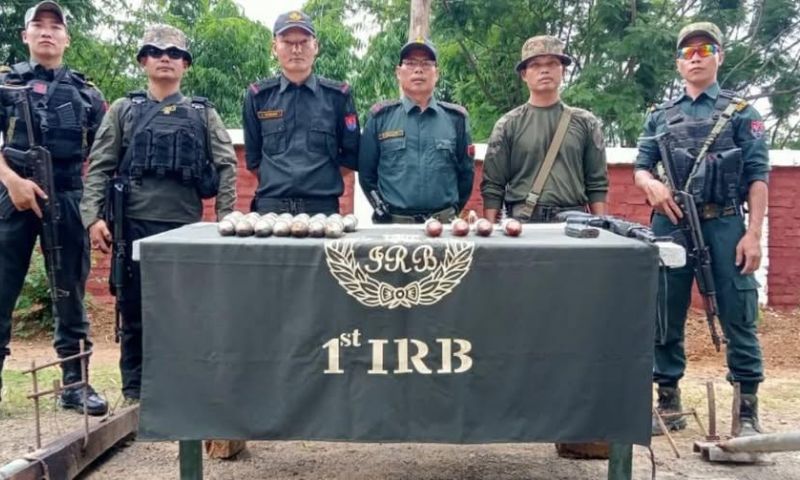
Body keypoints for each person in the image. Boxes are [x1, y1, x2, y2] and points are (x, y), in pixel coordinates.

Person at [80, 24, 237, 402]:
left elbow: (227, 165)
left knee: (186, 312)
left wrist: (227, 219)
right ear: (143, 61)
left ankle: (183, 390)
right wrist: (93, 218)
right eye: (155, 51)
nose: (165, 58)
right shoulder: (124, 110)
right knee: (133, 310)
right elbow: (100, 166)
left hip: (184, 229)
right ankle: (135, 392)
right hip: (133, 225)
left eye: (174, 53)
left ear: (185, 64)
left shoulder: (202, 113)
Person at [635, 22, 768, 437]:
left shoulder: (742, 112)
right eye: (688, 52)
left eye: (705, 50)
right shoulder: (659, 115)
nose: (696, 57)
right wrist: (650, 184)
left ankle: (746, 412)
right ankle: (667, 401)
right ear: (679, 63)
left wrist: (753, 234)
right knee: (663, 310)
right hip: (671, 222)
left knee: (738, 312)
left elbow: (758, 177)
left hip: (726, 222)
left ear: (719, 57)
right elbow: (641, 166)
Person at [0, 1, 108, 414]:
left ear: (67, 38)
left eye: (56, 26)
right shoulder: (6, 84)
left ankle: (75, 384)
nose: (47, 32)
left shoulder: (88, 93)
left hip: (67, 194)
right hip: (13, 194)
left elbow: (104, 155)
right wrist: (12, 181)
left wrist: (95, 211)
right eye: (39, 25)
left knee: (70, 290)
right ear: (25, 35)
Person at [481, 35, 608, 224]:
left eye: (552, 63)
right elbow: (493, 186)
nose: (545, 70)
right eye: (535, 65)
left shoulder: (586, 123)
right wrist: (490, 230)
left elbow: (597, 184)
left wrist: (601, 227)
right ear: (524, 74)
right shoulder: (508, 125)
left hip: (574, 220)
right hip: (523, 222)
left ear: (563, 71)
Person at [243, 10, 359, 216]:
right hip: (271, 209)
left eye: (304, 42)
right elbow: (253, 159)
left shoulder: (337, 97)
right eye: (288, 42)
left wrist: (319, 181)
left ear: (316, 47)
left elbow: (351, 156)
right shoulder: (258, 96)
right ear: (274, 48)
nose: (296, 49)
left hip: (322, 210)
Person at [358, 38, 474, 223]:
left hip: (443, 226)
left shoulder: (456, 119)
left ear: (437, 73)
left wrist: (449, 212)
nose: (418, 69)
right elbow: (366, 175)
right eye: (411, 63)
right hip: (394, 226)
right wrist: (380, 207)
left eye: (426, 64)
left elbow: (466, 176)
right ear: (398, 72)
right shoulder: (380, 118)